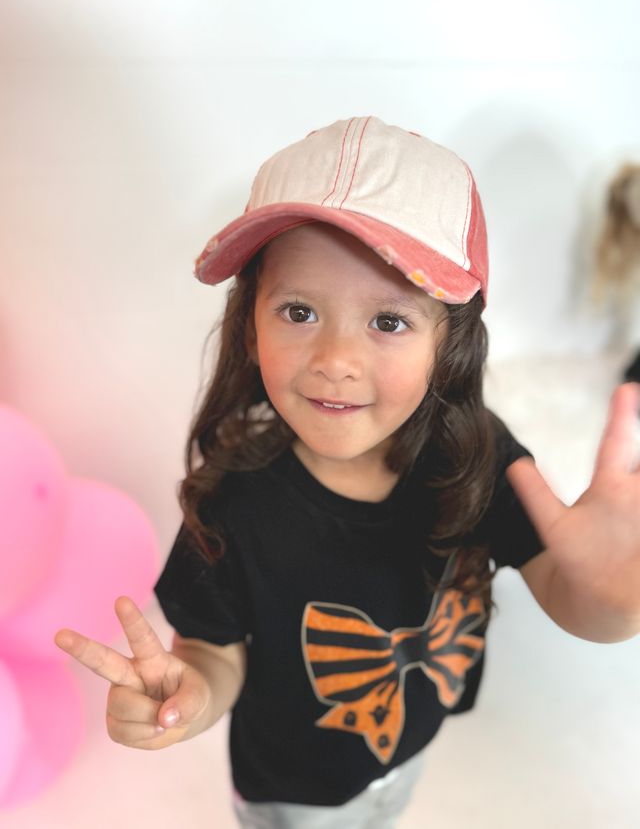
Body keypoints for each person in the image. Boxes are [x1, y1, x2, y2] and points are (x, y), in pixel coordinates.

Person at [55, 117, 640, 828]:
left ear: (449, 342)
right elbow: (213, 652)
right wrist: (189, 695)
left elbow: (571, 593)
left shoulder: (476, 455)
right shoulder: (233, 502)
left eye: (388, 322)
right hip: (291, 795)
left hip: (406, 752)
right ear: (251, 326)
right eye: (299, 311)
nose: (335, 357)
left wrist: (617, 599)